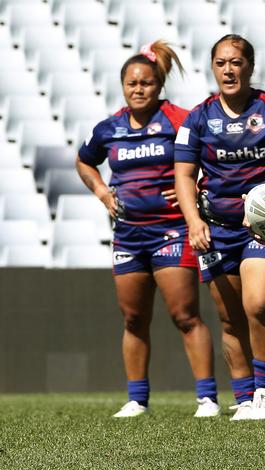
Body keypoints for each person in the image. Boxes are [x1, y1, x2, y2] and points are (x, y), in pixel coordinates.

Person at [76, 40, 219, 418]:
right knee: (134, 318)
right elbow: (84, 162)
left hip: (171, 232)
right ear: (123, 86)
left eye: (147, 83)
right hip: (128, 235)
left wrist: (193, 186)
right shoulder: (108, 128)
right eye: (132, 84)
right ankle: (137, 398)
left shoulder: (179, 120)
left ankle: (207, 398)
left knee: (185, 315)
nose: (139, 89)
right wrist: (103, 193)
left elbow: (215, 159)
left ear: (159, 85)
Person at [175, 35, 265, 421]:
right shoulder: (198, 117)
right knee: (229, 318)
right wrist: (193, 221)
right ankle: (243, 396)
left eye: (237, 62)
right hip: (215, 229)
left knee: (258, 303)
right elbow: (183, 175)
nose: (229, 70)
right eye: (222, 63)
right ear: (212, 67)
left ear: (250, 66)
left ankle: (263, 392)